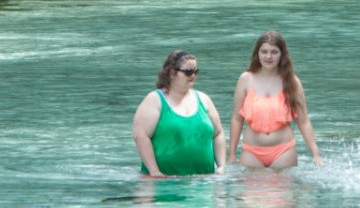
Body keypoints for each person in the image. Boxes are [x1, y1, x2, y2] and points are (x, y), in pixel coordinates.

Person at [228, 30, 323, 169]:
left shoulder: (292, 82)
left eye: (274, 52)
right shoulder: (245, 79)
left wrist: (316, 153)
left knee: (279, 189)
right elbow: (236, 119)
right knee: (251, 189)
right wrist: (231, 154)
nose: (268, 56)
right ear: (257, 54)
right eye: (264, 51)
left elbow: (303, 121)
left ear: (282, 55)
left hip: (283, 151)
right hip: (251, 152)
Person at [132, 49, 226, 176]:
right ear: (172, 73)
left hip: (203, 181)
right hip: (164, 181)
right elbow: (141, 136)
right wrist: (154, 171)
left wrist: (221, 166)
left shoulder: (204, 99)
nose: (193, 75)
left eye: (196, 71)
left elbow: (218, 134)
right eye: (188, 72)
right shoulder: (154, 100)